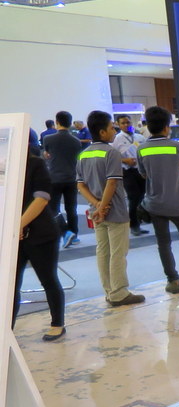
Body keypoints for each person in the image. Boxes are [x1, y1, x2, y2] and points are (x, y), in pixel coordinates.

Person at [76, 110, 145, 307]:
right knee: (118, 253)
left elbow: (80, 185)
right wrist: (104, 205)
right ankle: (119, 293)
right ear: (102, 132)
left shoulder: (83, 154)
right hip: (114, 211)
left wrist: (97, 205)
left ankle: (109, 291)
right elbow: (112, 182)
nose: (114, 131)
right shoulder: (111, 152)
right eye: (111, 128)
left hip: (96, 213)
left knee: (103, 252)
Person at [137, 105, 179, 295]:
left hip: (155, 204)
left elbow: (143, 173)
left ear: (148, 126)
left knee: (163, 243)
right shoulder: (176, 146)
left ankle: (173, 281)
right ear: (167, 127)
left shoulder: (142, 149)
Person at [13, 152, 65, 341]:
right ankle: (6, 329)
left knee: (48, 280)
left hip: (41, 234)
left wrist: (18, 225)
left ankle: (57, 324)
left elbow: (41, 199)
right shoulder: (7, 165)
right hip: (13, 236)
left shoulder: (35, 164)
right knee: (11, 285)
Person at [42, 110, 83, 247]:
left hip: (54, 178)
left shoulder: (48, 139)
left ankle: (65, 232)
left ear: (57, 122)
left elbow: (47, 154)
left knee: (53, 208)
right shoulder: (76, 141)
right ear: (70, 123)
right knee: (72, 208)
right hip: (71, 178)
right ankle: (74, 235)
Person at [113, 114, 149, 236]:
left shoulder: (139, 137)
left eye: (128, 122)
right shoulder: (116, 139)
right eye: (123, 123)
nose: (126, 125)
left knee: (142, 196)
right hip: (127, 171)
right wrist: (125, 160)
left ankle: (138, 221)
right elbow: (113, 157)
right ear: (118, 124)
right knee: (133, 197)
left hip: (140, 170)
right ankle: (133, 225)